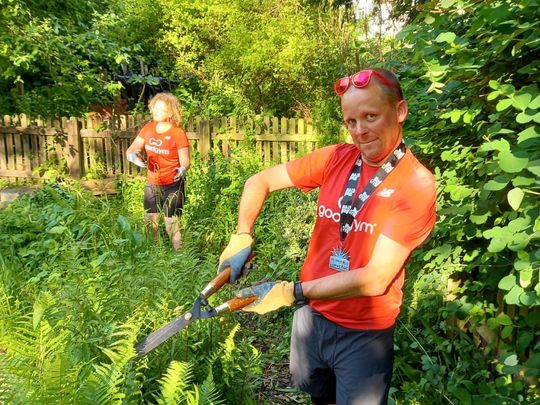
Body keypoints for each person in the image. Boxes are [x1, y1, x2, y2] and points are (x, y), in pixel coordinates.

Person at [218, 68, 437, 404]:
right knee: (315, 394)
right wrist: (242, 234)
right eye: (351, 121)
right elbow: (258, 182)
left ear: (400, 111)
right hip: (313, 318)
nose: (360, 131)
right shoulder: (337, 158)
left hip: (364, 333)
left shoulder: (415, 184)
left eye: (370, 116)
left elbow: (375, 279)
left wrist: (290, 292)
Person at [126, 92, 190, 251]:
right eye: (155, 108)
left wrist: (182, 170)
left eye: (161, 110)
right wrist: (132, 156)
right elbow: (132, 149)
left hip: (173, 184)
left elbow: (185, 161)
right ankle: (155, 254)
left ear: (170, 113)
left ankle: (180, 257)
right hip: (152, 182)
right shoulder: (148, 128)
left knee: (171, 224)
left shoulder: (177, 133)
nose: (156, 112)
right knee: (150, 221)